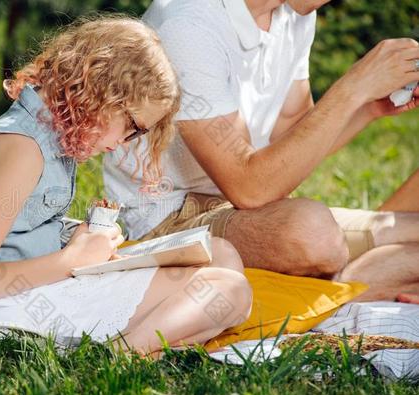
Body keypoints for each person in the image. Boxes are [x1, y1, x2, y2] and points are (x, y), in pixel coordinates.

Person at [0, 16, 252, 358]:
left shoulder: (45, 136)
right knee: (230, 292)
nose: (123, 143)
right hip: (9, 303)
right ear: (100, 90)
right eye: (131, 126)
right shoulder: (24, 151)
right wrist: (72, 259)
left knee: (223, 254)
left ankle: (152, 337)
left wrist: (78, 236)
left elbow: (19, 229)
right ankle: (118, 354)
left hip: (36, 285)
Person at [104, 0, 419, 303]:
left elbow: (294, 141)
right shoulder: (189, 26)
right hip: (167, 220)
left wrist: (369, 108)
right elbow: (250, 188)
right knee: (313, 231)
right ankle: (340, 292)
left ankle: (347, 288)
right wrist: (353, 88)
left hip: (245, 211)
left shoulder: (294, 15)